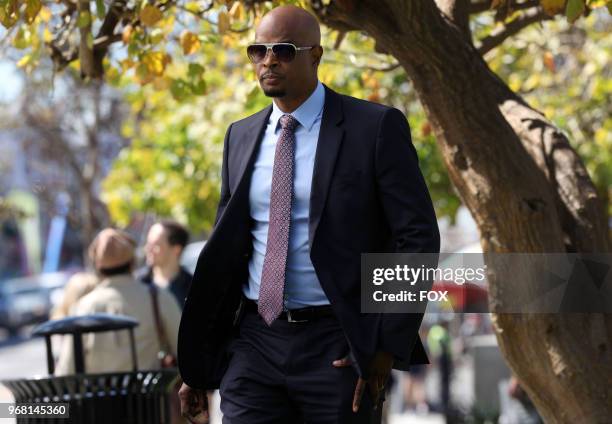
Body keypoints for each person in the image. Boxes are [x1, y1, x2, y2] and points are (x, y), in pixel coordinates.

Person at [178, 5, 440, 424]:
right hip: (254, 342)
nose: (268, 61)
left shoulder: (373, 127)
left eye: (282, 50)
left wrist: (383, 346)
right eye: (257, 50)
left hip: (337, 342)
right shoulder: (240, 136)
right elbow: (225, 252)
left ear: (315, 55)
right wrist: (200, 361)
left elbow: (418, 237)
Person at [55, 228, 182, 375]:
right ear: (132, 262)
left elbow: (67, 370)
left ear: (98, 266)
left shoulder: (83, 307)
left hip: (99, 396)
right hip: (149, 396)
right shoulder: (158, 297)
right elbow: (184, 351)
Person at [137, 220, 193, 309]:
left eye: (156, 245)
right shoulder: (137, 281)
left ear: (176, 249)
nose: (148, 249)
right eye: (148, 243)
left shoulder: (192, 288)